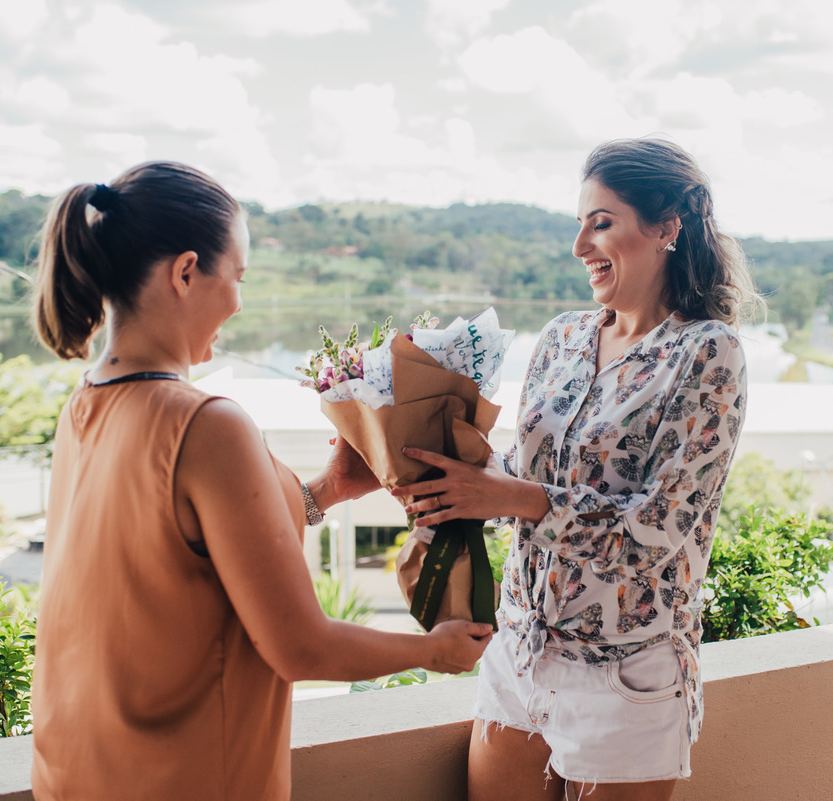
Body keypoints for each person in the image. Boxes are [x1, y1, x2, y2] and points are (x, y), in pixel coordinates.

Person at [29, 161, 491, 801]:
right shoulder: (205, 424)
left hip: (78, 771)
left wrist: (329, 489)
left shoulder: (84, 404)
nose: (239, 303)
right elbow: (300, 647)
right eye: (238, 277)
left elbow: (182, 555)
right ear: (185, 273)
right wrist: (433, 652)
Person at [392, 138, 758, 800]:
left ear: (667, 228)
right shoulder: (562, 337)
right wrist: (443, 471)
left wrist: (513, 496)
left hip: (625, 674)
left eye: (602, 222)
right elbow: (526, 473)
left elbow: (654, 531)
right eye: (579, 223)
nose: (579, 246)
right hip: (519, 651)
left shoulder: (708, 353)